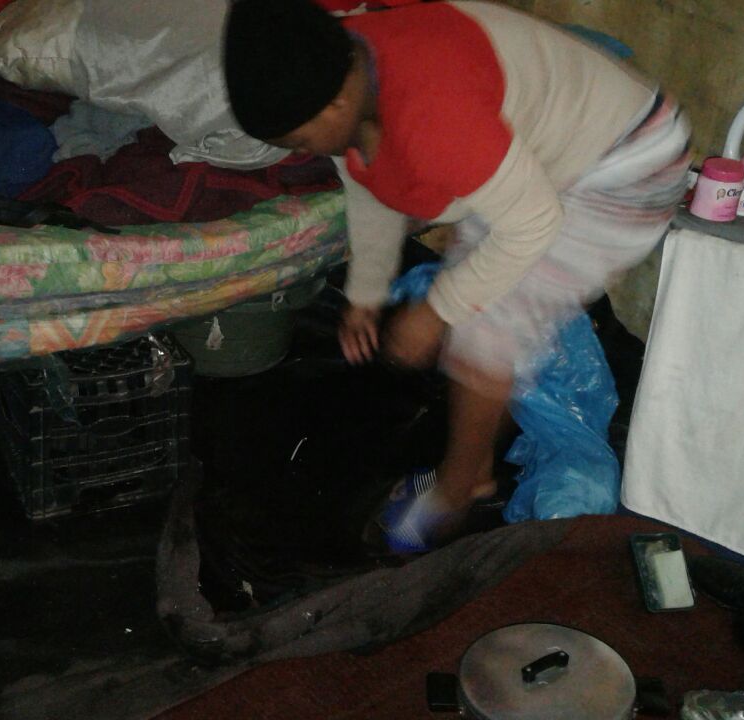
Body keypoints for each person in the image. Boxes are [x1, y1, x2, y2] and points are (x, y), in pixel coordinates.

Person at [223, 0, 691, 553]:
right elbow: (366, 180)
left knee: (487, 319)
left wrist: (438, 310)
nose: (302, 153)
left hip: (632, 162)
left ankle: (459, 486)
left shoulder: (433, 112)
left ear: (339, 102)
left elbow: (534, 224)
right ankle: (477, 457)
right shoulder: (346, 66)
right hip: (560, 155)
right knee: (481, 290)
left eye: (298, 143)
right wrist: (367, 293)